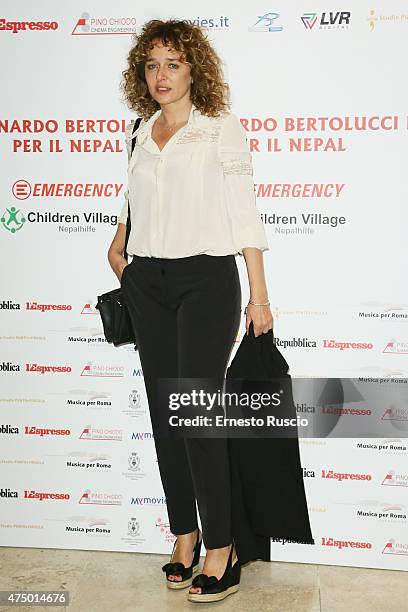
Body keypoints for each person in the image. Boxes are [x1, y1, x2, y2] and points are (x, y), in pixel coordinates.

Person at [107, 18, 273, 603]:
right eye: (151, 64)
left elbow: (245, 213)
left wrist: (258, 294)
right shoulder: (140, 131)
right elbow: (133, 198)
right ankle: (185, 534)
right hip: (147, 281)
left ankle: (223, 549)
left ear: (193, 69)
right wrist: (119, 247)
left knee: (197, 414)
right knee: (164, 414)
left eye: (173, 63)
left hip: (206, 280)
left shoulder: (218, 128)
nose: (161, 75)